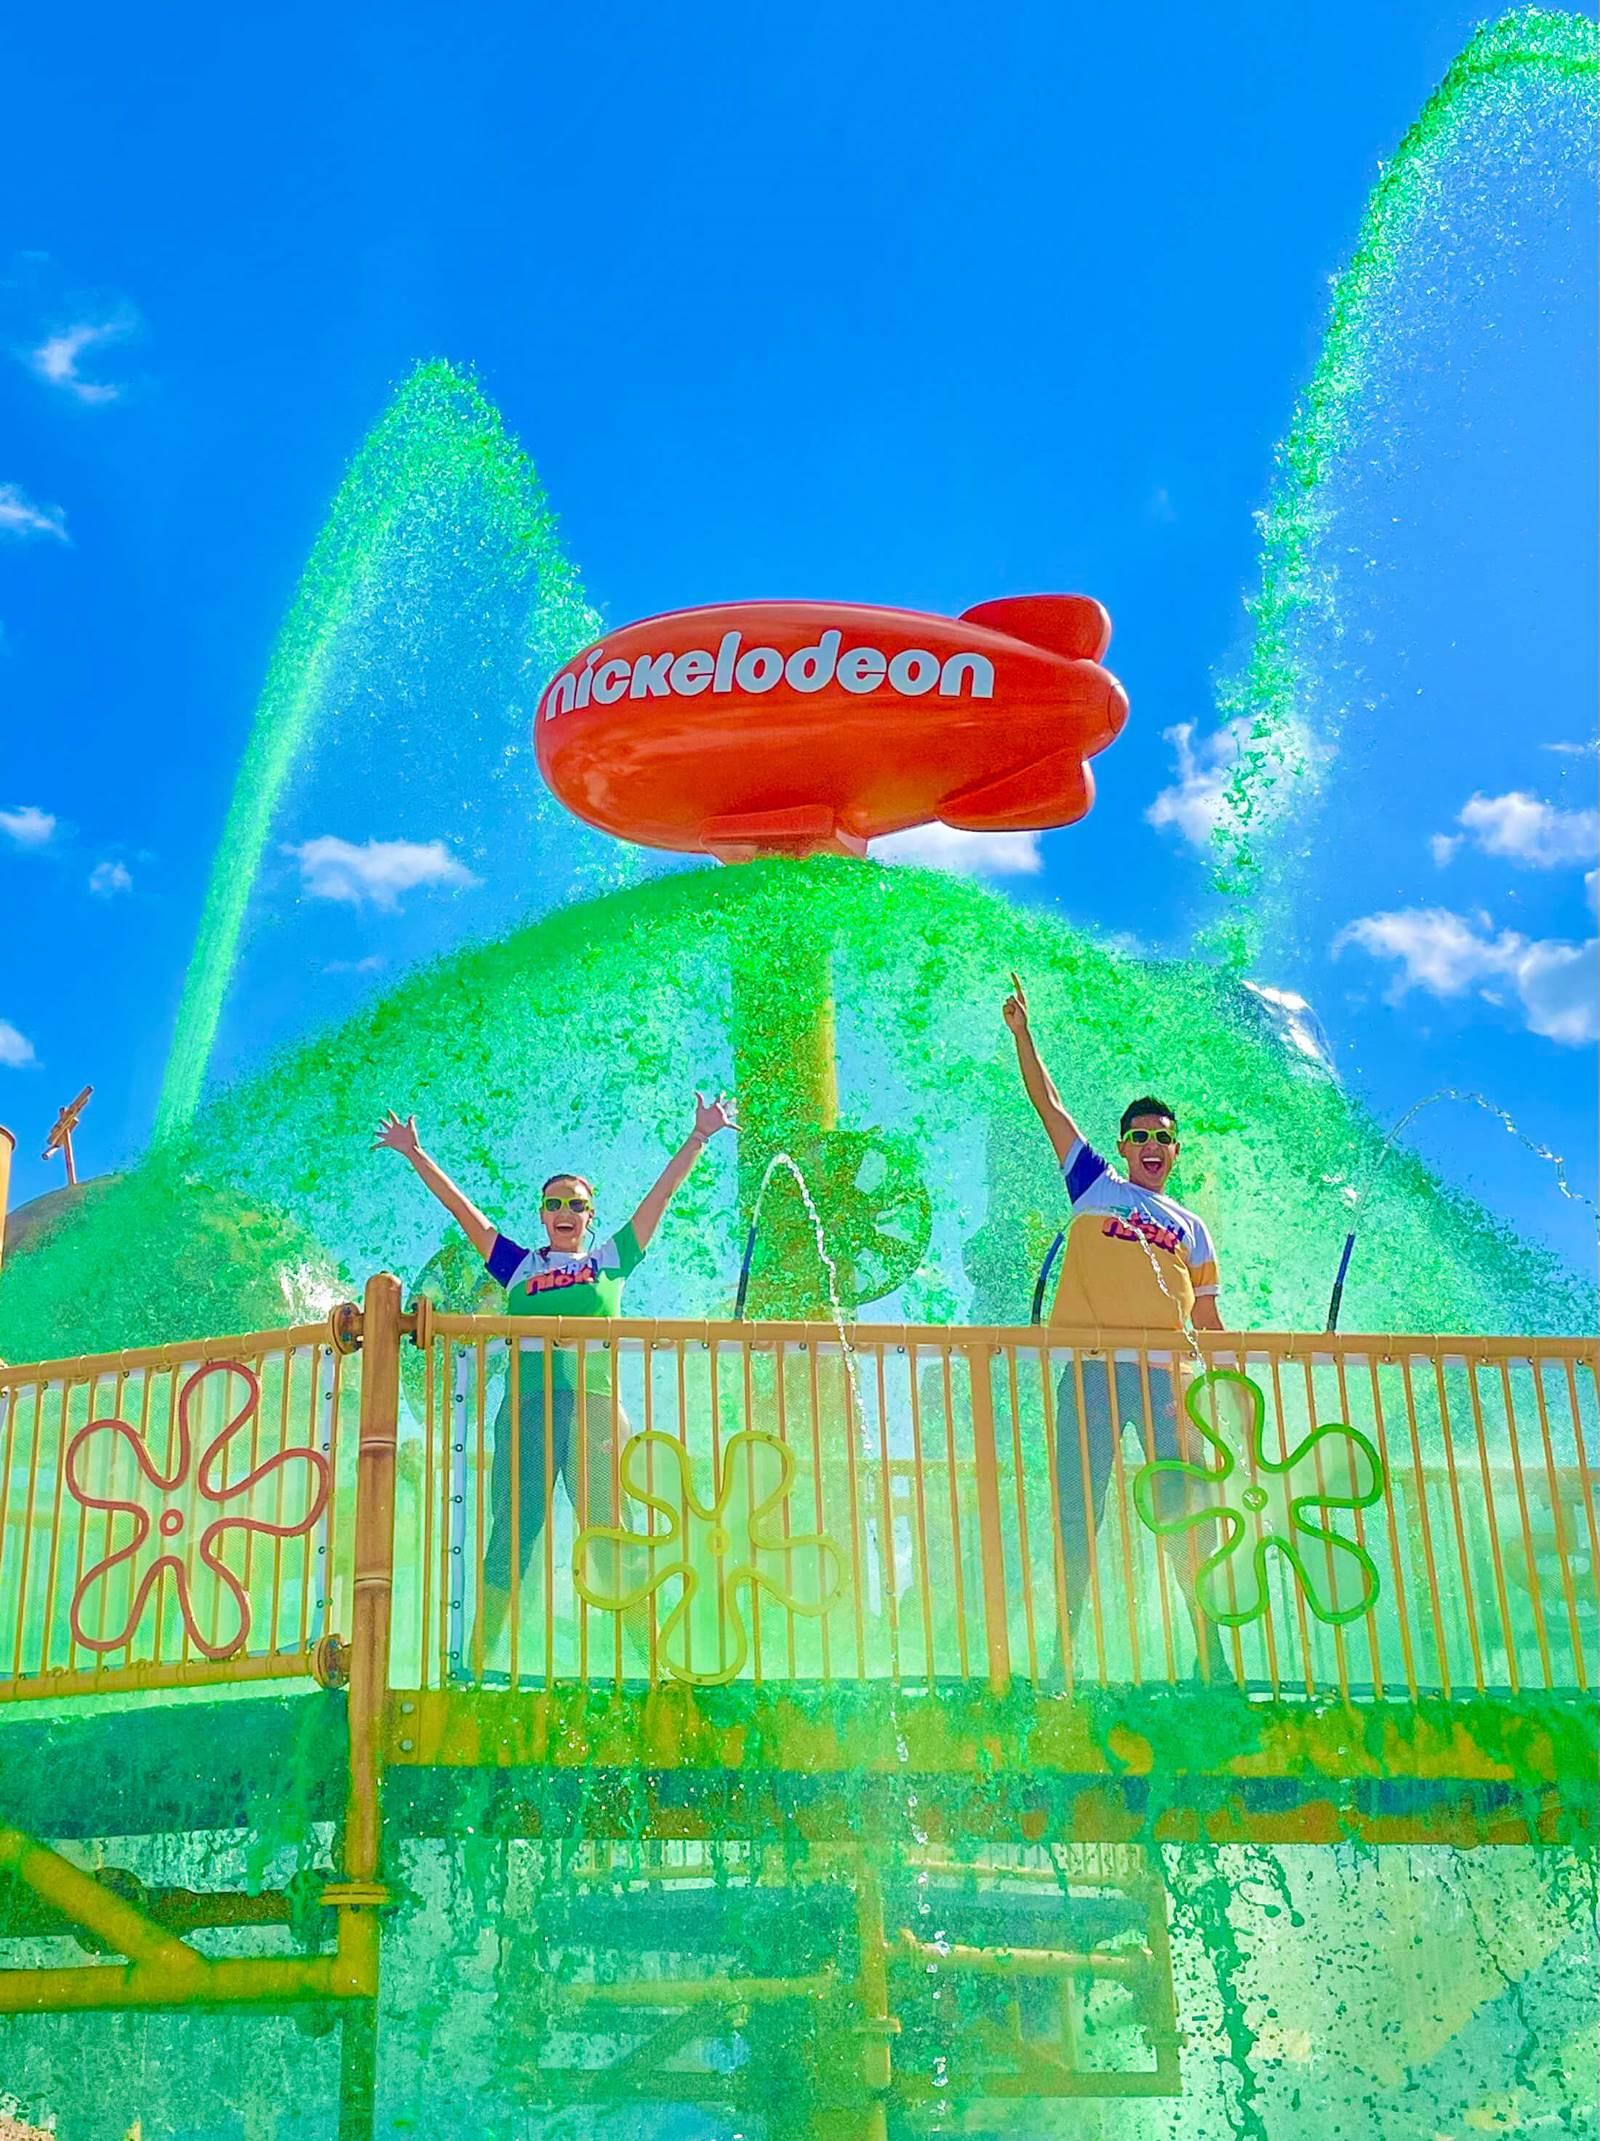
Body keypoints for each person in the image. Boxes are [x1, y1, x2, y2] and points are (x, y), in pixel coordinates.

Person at [373, 1092, 738, 1672]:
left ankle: (656, 1665)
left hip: (594, 1407)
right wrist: (416, 1153)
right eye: (554, 1203)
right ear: (542, 1214)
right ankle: (474, 1663)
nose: (566, 1210)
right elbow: (465, 1215)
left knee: (609, 1533)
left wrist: (699, 1136)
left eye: (577, 1203)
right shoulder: (519, 1266)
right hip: (527, 1408)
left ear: (590, 1215)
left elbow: (660, 1199)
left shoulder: (612, 1260)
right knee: (513, 1533)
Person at [1001, 974, 1231, 1681]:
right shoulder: (1096, 1185)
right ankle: (1062, 1656)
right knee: (1079, 1514)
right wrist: (1022, 1033)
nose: (1152, 1146)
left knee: (1183, 1516)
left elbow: (1214, 1326)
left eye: (1164, 1138)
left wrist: (1235, 1404)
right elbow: (1051, 1104)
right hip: (1094, 1374)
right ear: (1123, 1146)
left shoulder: (1193, 1228)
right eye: (1141, 1136)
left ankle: (1212, 1657)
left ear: (1176, 1150)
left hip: (1167, 1384)